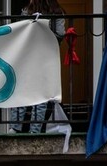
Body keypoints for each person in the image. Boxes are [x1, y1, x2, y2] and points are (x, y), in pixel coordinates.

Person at [8, 0, 66, 134]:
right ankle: (35, 130)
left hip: (29, 56)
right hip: (46, 58)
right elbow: (60, 33)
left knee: (22, 91)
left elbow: (20, 32)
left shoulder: (27, 11)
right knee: (41, 96)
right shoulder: (57, 12)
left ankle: (15, 127)